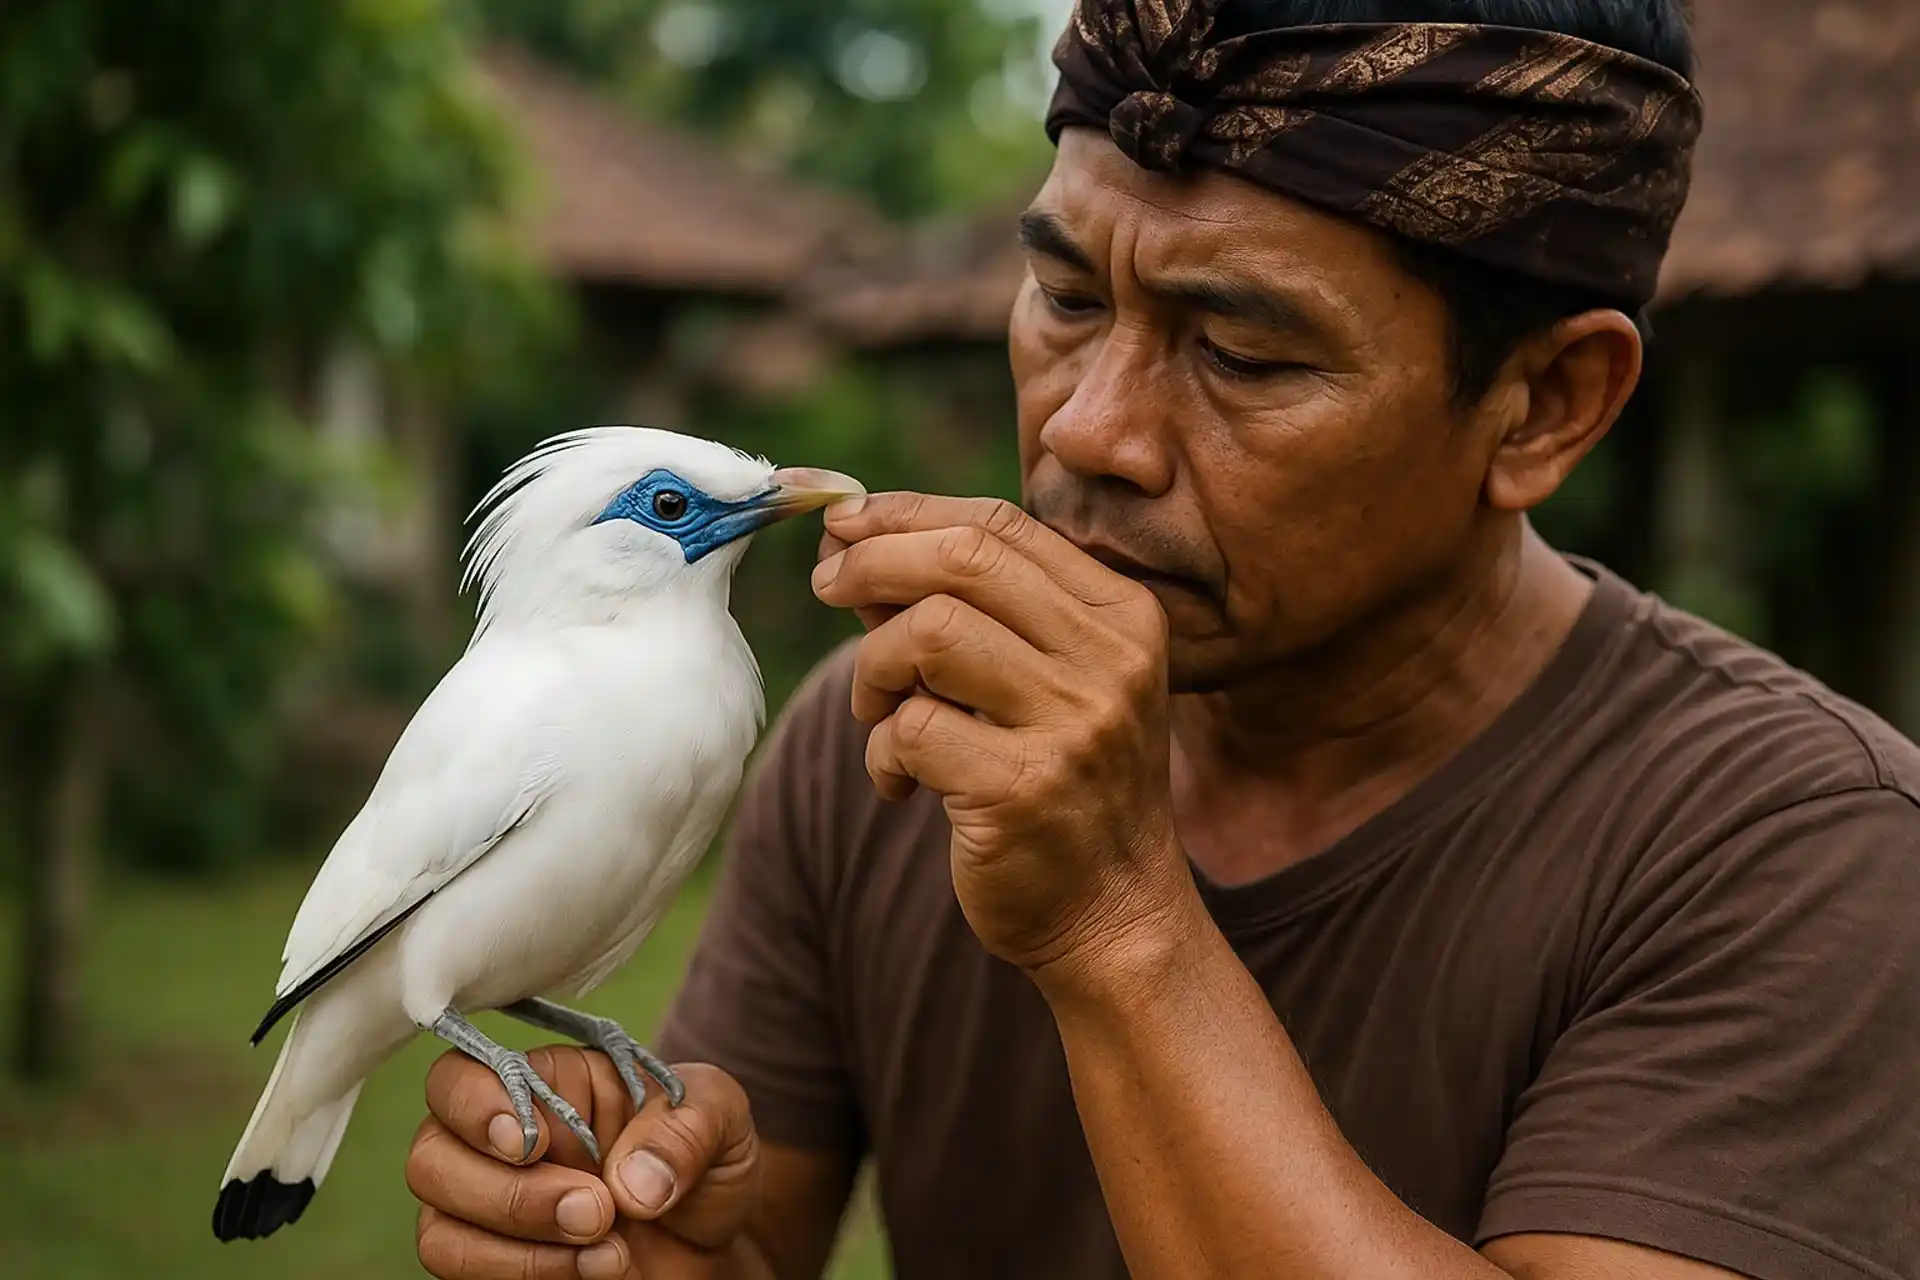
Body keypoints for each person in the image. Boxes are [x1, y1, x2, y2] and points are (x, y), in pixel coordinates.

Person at [404, 2, 1920, 1277]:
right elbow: (730, 1239)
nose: (1088, 425)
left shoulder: (1803, 853)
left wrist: (1118, 921)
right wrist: (624, 1232)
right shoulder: (885, 747)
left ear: (1544, 406)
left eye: (1246, 354)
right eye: (1064, 294)